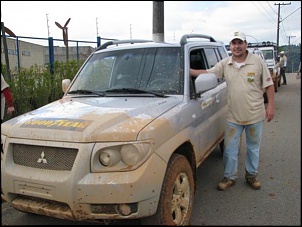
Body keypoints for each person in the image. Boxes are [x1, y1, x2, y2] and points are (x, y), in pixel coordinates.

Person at [190, 31, 275, 191]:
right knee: (230, 150)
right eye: (234, 43)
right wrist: (188, 71)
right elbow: (208, 73)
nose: (237, 46)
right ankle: (229, 177)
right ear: (230, 46)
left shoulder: (257, 62)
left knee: (253, 148)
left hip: (255, 114)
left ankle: (252, 176)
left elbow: (269, 85)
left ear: (245, 44)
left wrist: (270, 106)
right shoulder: (225, 64)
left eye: (240, 43)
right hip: (233, 117)